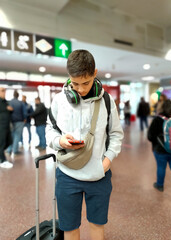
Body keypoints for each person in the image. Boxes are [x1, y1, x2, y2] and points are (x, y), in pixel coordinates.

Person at [46, 49, 124, 240]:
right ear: (68, 77)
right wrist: (59, 141)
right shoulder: (59, 100)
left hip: (99, 175)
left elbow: (115, 133)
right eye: (75, 83)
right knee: (69, 227)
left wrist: (106, 162)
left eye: (86, 83)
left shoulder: (107, 101)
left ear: (95, 73)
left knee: (97, 225)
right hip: (66, 175)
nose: (80, 89)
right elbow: (50, 128)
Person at [147, 99, 171, 193]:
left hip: (160, 150)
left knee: (161, 167)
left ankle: (160, 185)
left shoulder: (157, 120)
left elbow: (150, 136)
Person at [6, 90, 27, 155]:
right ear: (18, 96)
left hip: (11, 121)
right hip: (20, 121)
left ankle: (9, 150)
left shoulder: (9, 102)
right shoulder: (21, 103)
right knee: (17, 136)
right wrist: (25, 119)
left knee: (11, 136)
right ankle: (15, 151)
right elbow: (24, 112)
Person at [0, 87, 13, 168]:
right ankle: (3, 161)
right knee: (1, 144)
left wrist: (9, 109)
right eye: (2, 91)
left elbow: (10, 109)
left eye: (5, 91)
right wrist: (6, 109)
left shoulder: (5, 101)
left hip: (7, 125)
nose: (4, 92)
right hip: (1, 126)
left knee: (9, 141)